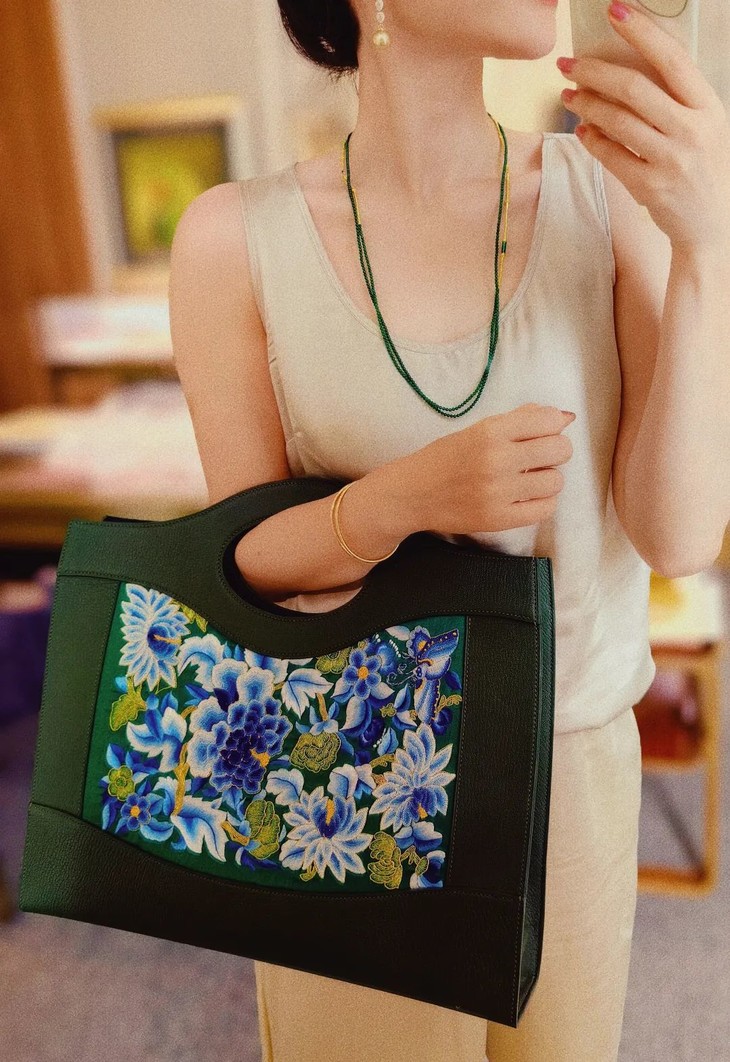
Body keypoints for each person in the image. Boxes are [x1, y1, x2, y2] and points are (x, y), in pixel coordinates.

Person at [169, 3, 729, 1059]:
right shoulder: (231, 240)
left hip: (568, 775)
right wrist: (401, 500)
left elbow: (680, 536)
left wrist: (704, 247)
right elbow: (237, 568)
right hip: (341, 768)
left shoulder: (607, 195)